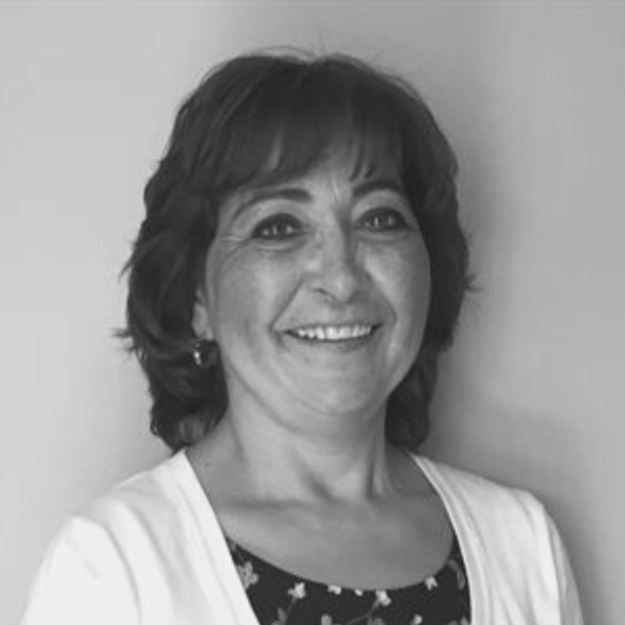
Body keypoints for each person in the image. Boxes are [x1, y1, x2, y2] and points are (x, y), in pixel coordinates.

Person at [20, 50, 583, 625]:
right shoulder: (114, 568)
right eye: (279, 227)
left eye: (380, 218)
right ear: (196, 301)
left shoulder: (523, 545)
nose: (341, 277)